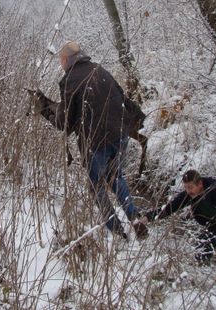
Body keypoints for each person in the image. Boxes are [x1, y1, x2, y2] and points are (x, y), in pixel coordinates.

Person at [36, 41, 148, 240]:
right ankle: (135, 217)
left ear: (65, 60)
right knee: (115, 177)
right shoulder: (100, 69)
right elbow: (122, 98)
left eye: (60, 61)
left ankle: (117, 231)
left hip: (96, 142)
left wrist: (45, 109)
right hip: (120, 133)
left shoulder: (69, 80)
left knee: (96, 186)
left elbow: (64, 122)